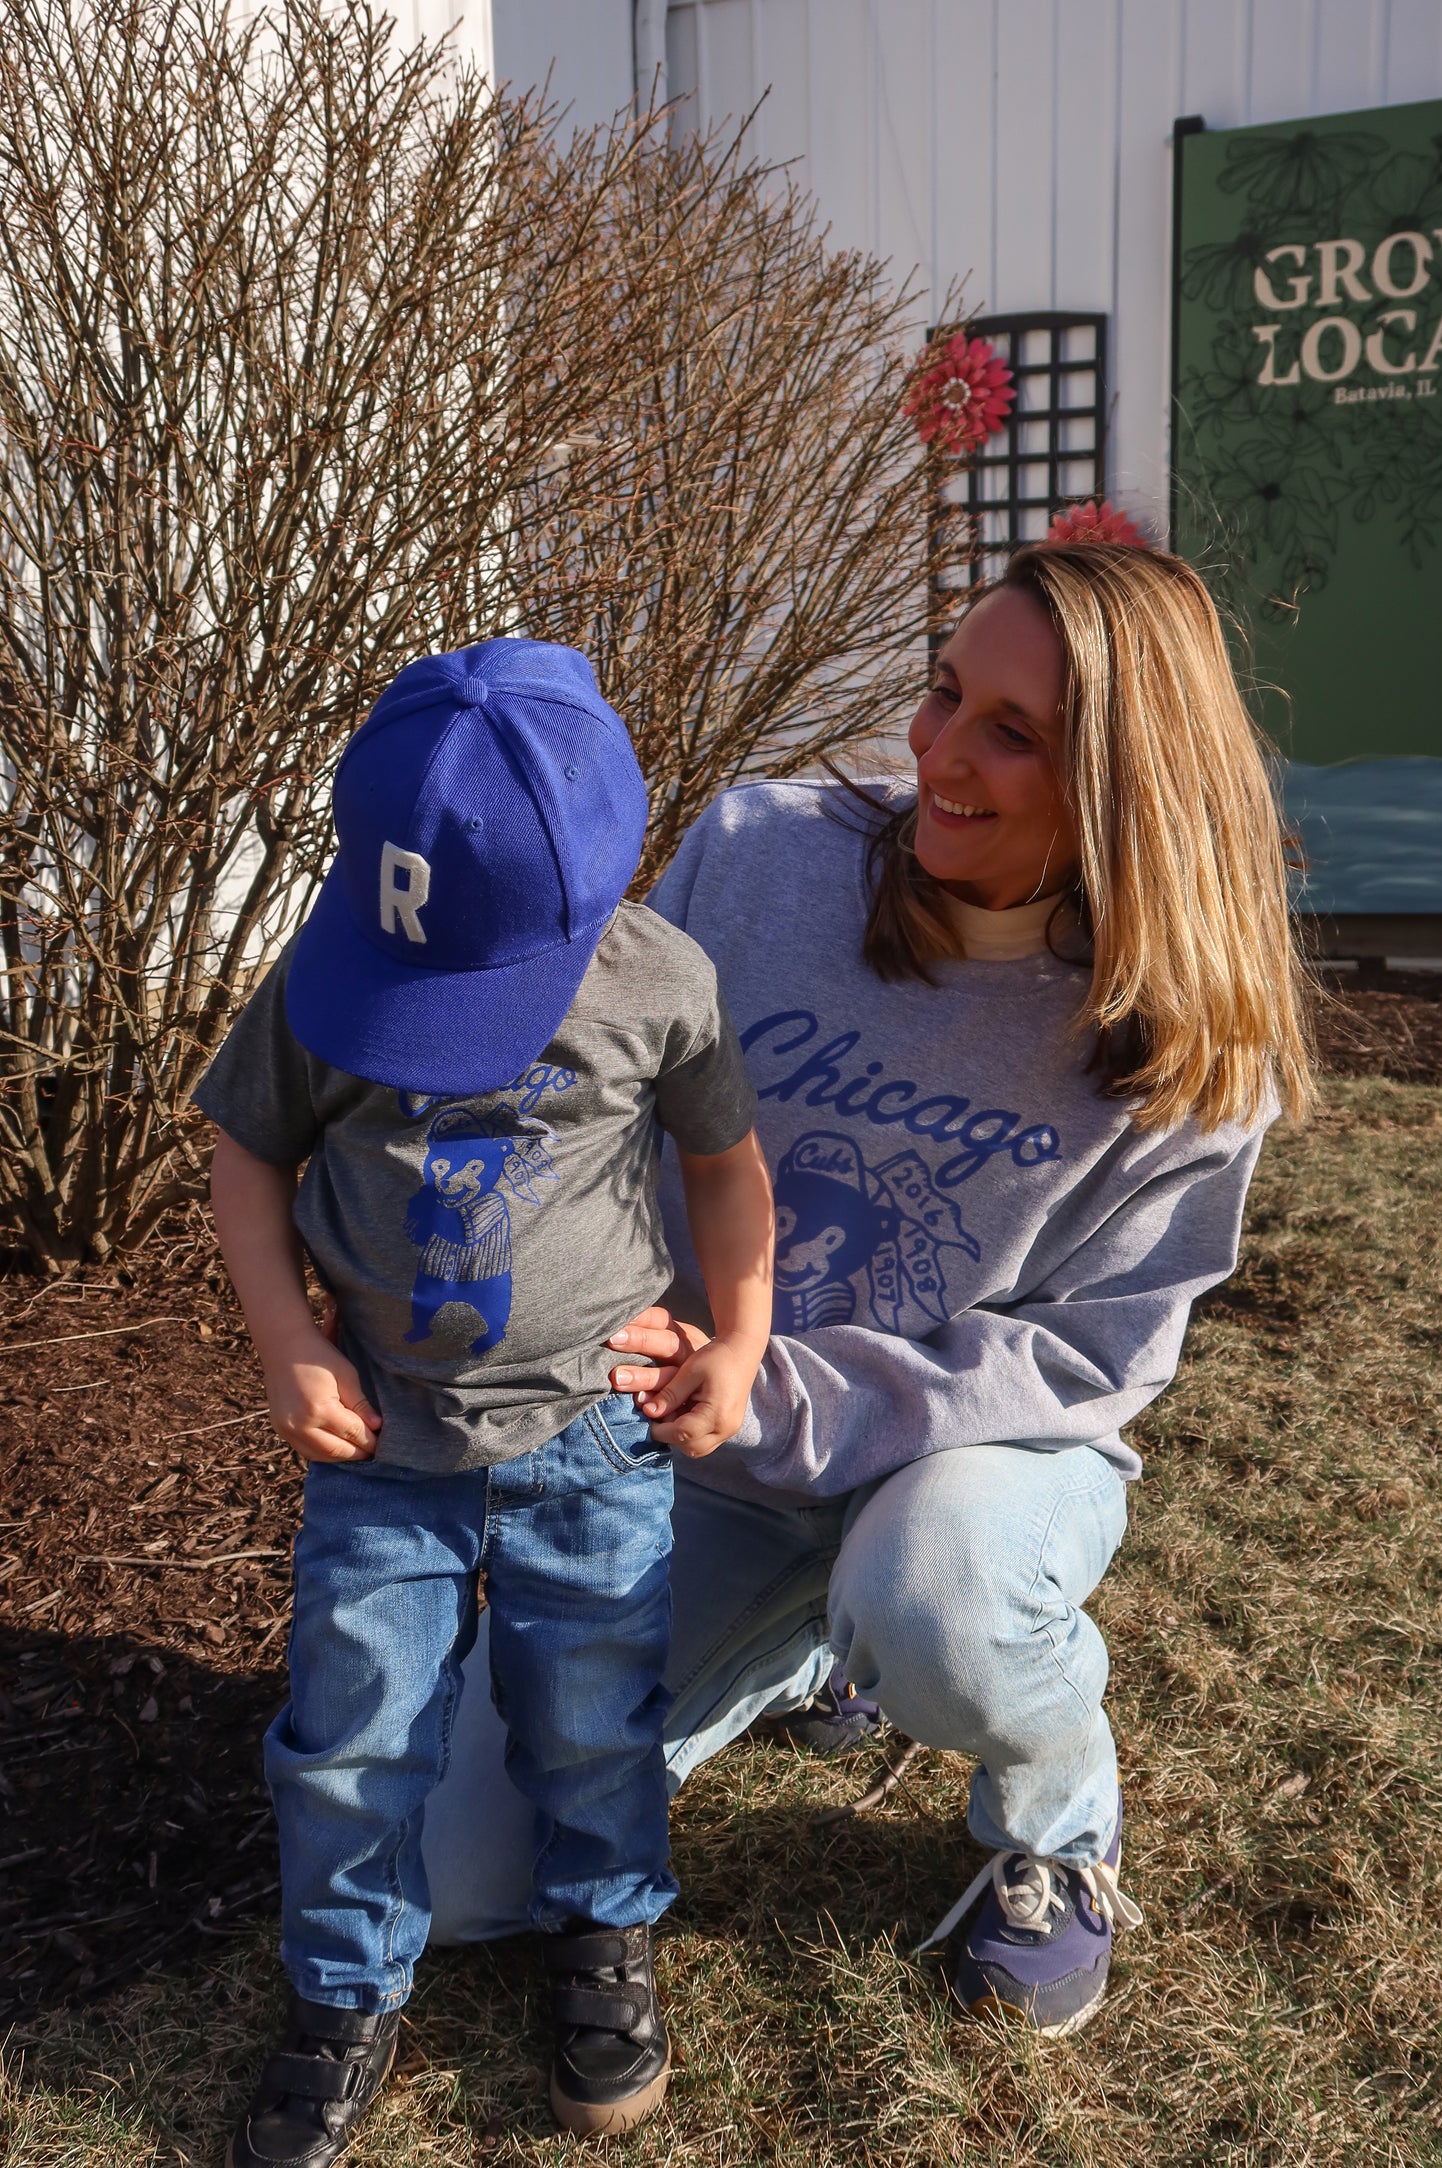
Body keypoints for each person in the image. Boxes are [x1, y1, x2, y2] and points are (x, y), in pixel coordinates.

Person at [419, 539, 1314, 2041]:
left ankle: (1053, 1826)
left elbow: (1090, 1360)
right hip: (703, 1444)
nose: (933, 754)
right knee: (455, 1884)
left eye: (1008, 733)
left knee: (935, 1593)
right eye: (942, 691)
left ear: (1126, 784)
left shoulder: (1202, 1048)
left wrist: (779, 1390)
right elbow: (596, 1105)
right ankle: (812, 1644)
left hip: (973, 1460)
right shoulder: (763, 852)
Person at [195, 639, 774, 2164]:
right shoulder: (332, 964)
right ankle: (339, 1993)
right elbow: (248, 1149)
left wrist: (743, 1333)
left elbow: (723, 1162)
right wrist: (283, 1338)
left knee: (592, 1715)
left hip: (595, 1435)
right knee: (350, 1731)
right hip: (386, 1438)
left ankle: (601, 1931)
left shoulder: (660, 977)